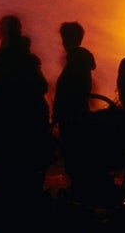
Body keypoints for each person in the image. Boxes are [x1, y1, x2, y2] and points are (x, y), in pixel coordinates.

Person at [0, 14, 53, 214]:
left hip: (8, 123)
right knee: (27, 175)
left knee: (6, 174)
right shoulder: (29, 59)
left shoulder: (0, 58)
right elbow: (42, 86)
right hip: (28, 123)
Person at [52, 21, 98, 200]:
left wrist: (58, 111)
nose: (62, 42)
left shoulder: (74, 64)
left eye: (64, 38)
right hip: (78, 113)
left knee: (73, 156)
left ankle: (79, 193)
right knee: (76, 155)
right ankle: (81, 192)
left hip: (71, 115)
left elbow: (68, 92)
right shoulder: (81, 62)